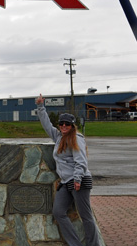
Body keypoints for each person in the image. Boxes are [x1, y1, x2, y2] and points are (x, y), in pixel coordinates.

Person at [36, 94, 100, 246]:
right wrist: (40, 107)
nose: (64, 126)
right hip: (66, 182)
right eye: (61, 124)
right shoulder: (59, 137)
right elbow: (46, 125)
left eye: (67, 124)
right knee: (58, 212)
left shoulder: (76, 138)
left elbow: (81, 160)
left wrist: (77, 179)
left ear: (72, 125)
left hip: (80, 181)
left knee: (86, 216)